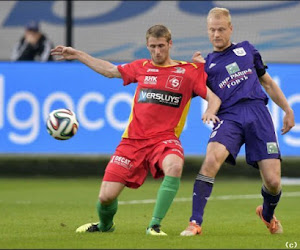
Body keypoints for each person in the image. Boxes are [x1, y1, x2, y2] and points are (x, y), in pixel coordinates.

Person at [51, 24, 221, 236]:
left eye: (161, 46)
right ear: (147, 46)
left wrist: (211, 110)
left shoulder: (188, 71)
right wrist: (77, 54)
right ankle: (105, 226)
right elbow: (109, 70)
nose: (157, 51)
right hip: (132, 142)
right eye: (152, 47)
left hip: (164, 140)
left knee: (175, 166)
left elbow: (214, 95)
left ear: (170, 44)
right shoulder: (141, 67)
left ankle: (154, 225)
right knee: (105, 197)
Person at [180, 7, 295, 236]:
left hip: (258, 114)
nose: (216, 34)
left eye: (221, 29)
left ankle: (267, 214)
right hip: (229, 116)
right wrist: (195, 70)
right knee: (211, 160)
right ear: (207, 31)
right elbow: (190, 90)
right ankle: (195, 222)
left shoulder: (247, 50)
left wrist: (287, 109)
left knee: (273, 181)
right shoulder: (205, 65)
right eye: (212, 30)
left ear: (230, 28)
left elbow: (268, 83)